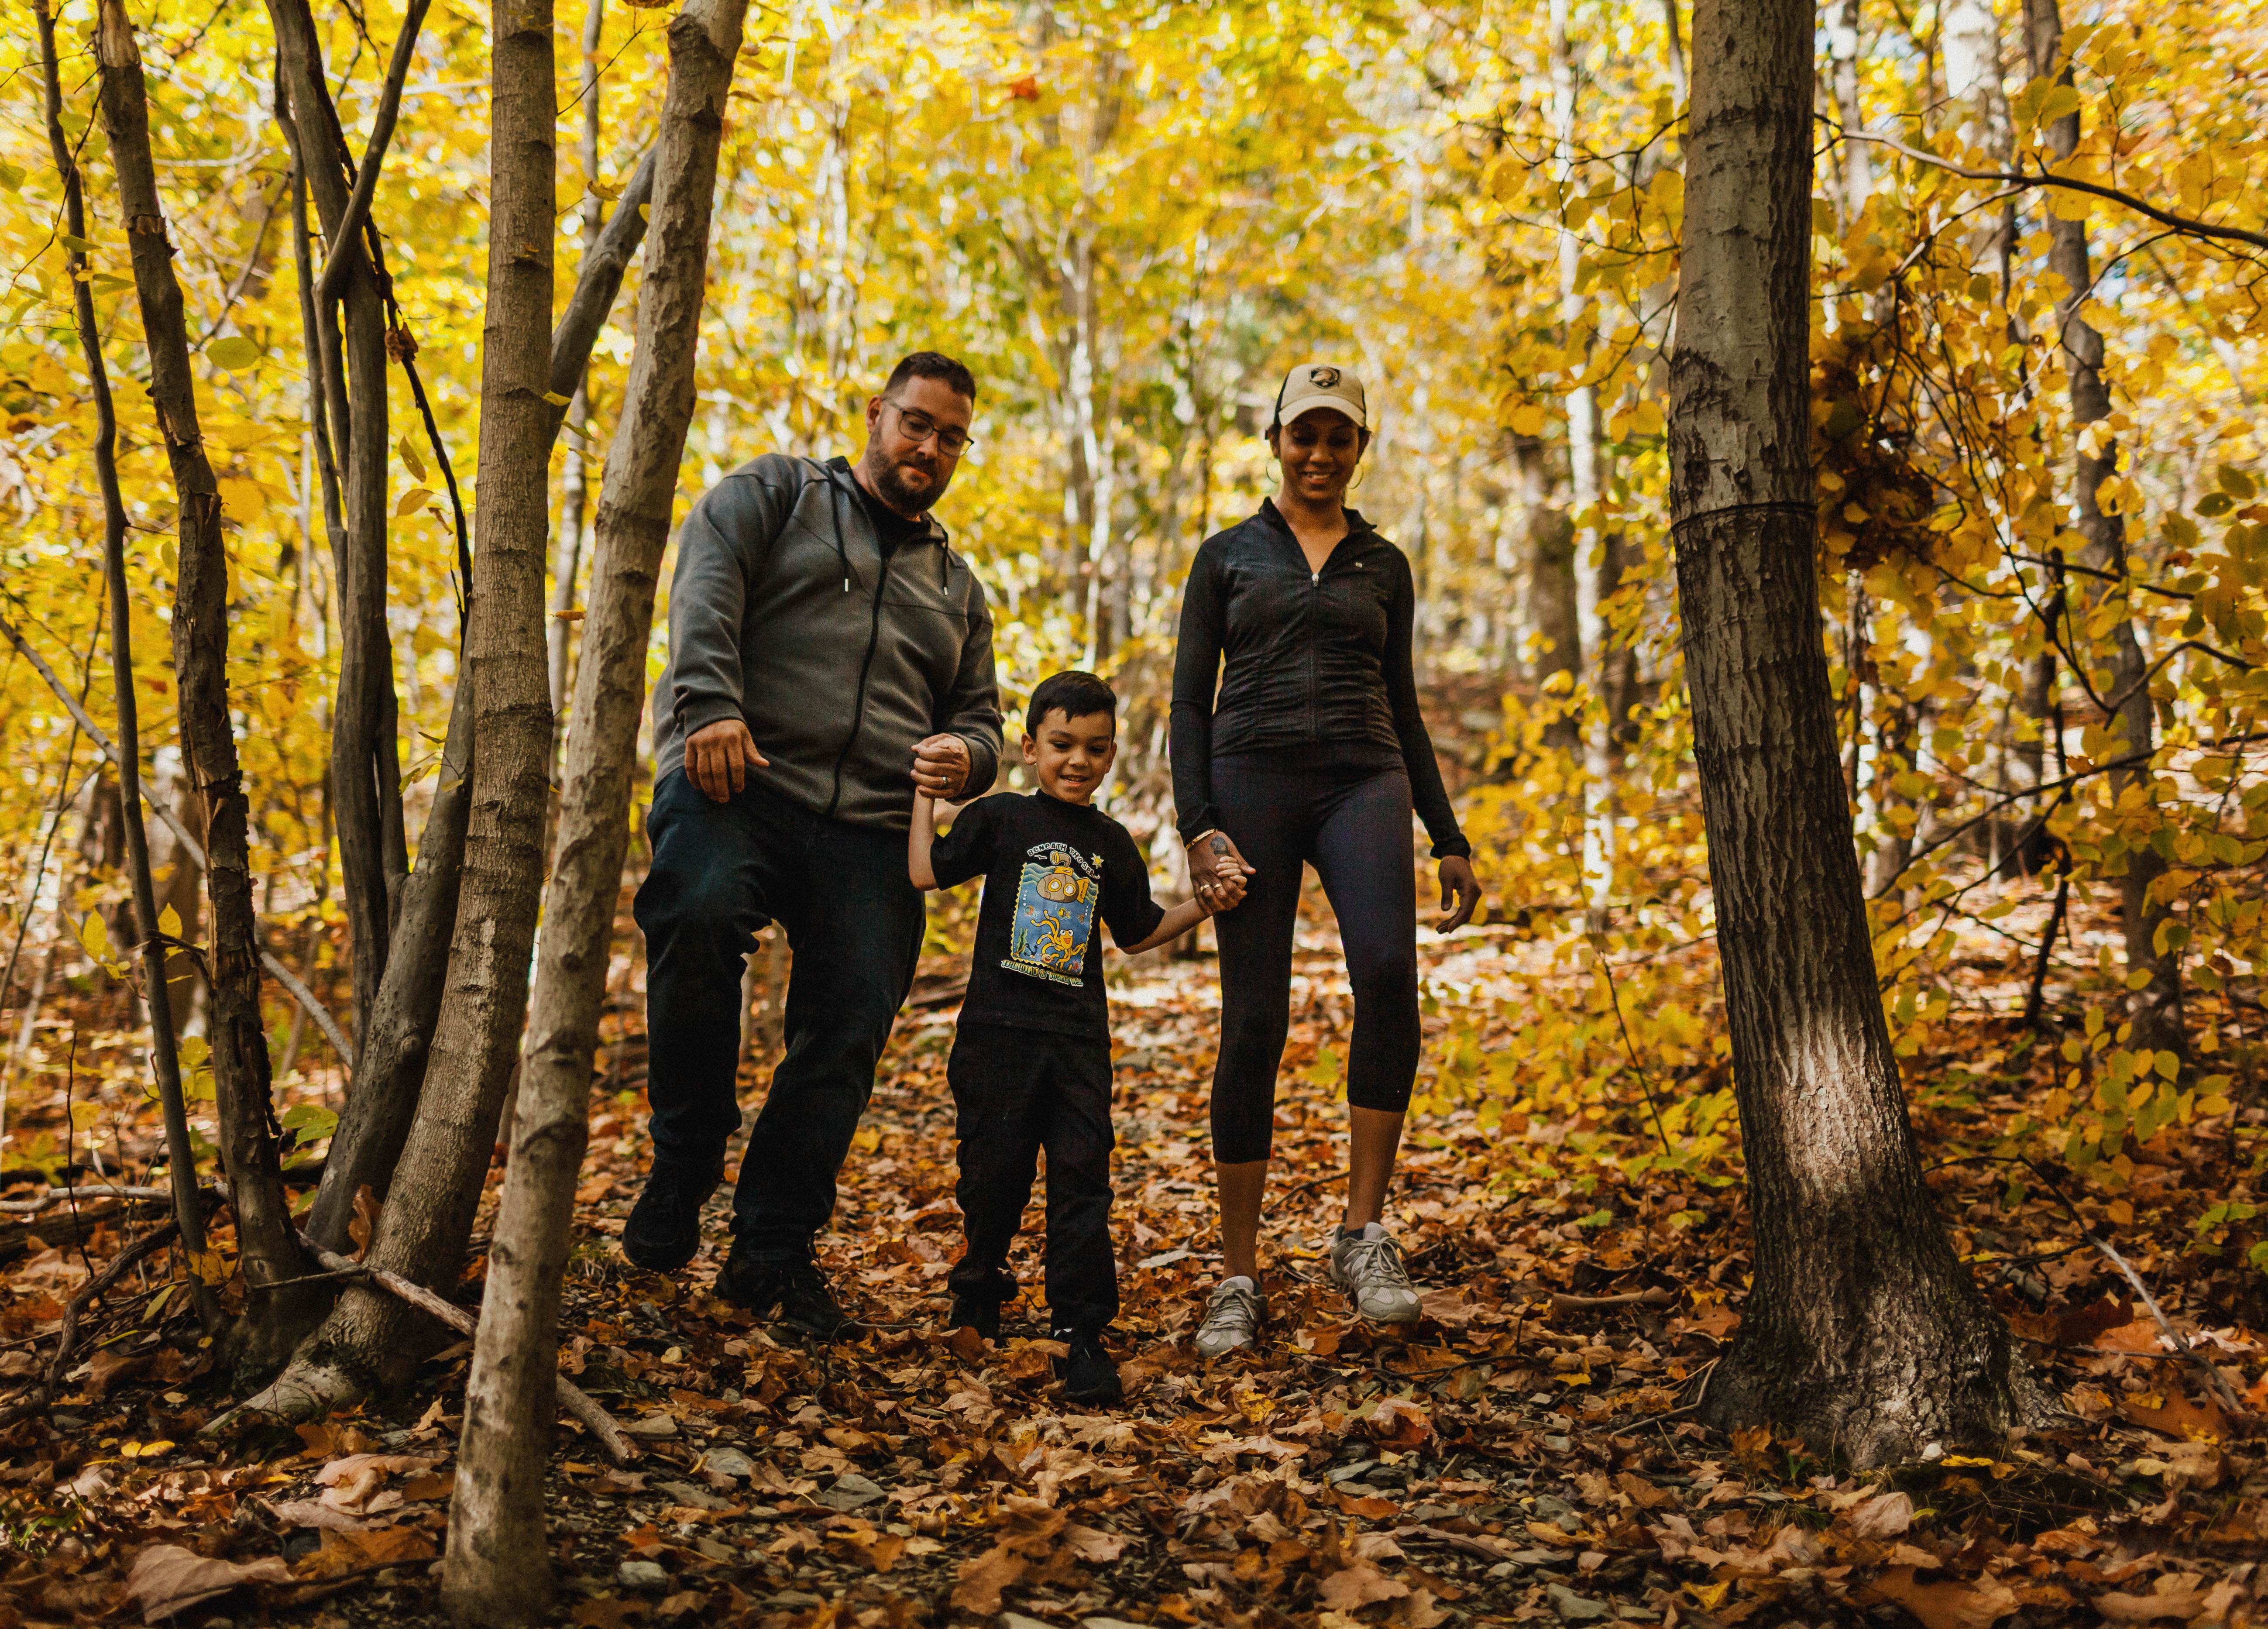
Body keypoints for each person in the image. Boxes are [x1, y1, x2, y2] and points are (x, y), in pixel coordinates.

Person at [628, 351, 1004, 1339]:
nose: (930, 447)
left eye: (951, 436)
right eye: (917, 423)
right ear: (878, 415)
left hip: (873, 828)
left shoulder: (957, 589)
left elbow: (982, 720)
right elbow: (704, 587)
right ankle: (686, 1155)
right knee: (697, 912)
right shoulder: (777, 493)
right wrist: (706, 705)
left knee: (848, 1022)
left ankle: (771, 1249)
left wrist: (964, 759)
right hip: (738, 779)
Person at [1169, 361, 1482, 1359]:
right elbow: (1186, 703)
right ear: (1275, 441)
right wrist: (1198, 825)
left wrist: (1450, 834)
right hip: (1250, 780)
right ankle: (1239, 1272)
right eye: (1304, 435)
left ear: (1360, 450)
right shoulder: (1227, 557)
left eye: (1338, 437)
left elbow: (1405, 698)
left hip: (1363, 779)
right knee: (1254, 1015)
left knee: (1389, 975)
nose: (1320, 453)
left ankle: (1362, 1233)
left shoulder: (1382, 563)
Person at [909, 671, 1237, 1404]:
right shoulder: (999, 821)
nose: (1076, 761)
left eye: (1094, 748)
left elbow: (1140, 932)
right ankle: (978, 1294)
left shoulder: (1112, 843)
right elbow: (926, 872)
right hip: (995, 1035)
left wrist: (1206, 904)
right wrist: (924, 793)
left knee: (1082, 1181)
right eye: (1061, 745)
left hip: (1078, 1041)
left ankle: (1080, 1330)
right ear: (1030, 749)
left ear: (1112, 756)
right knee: (991, 1176)